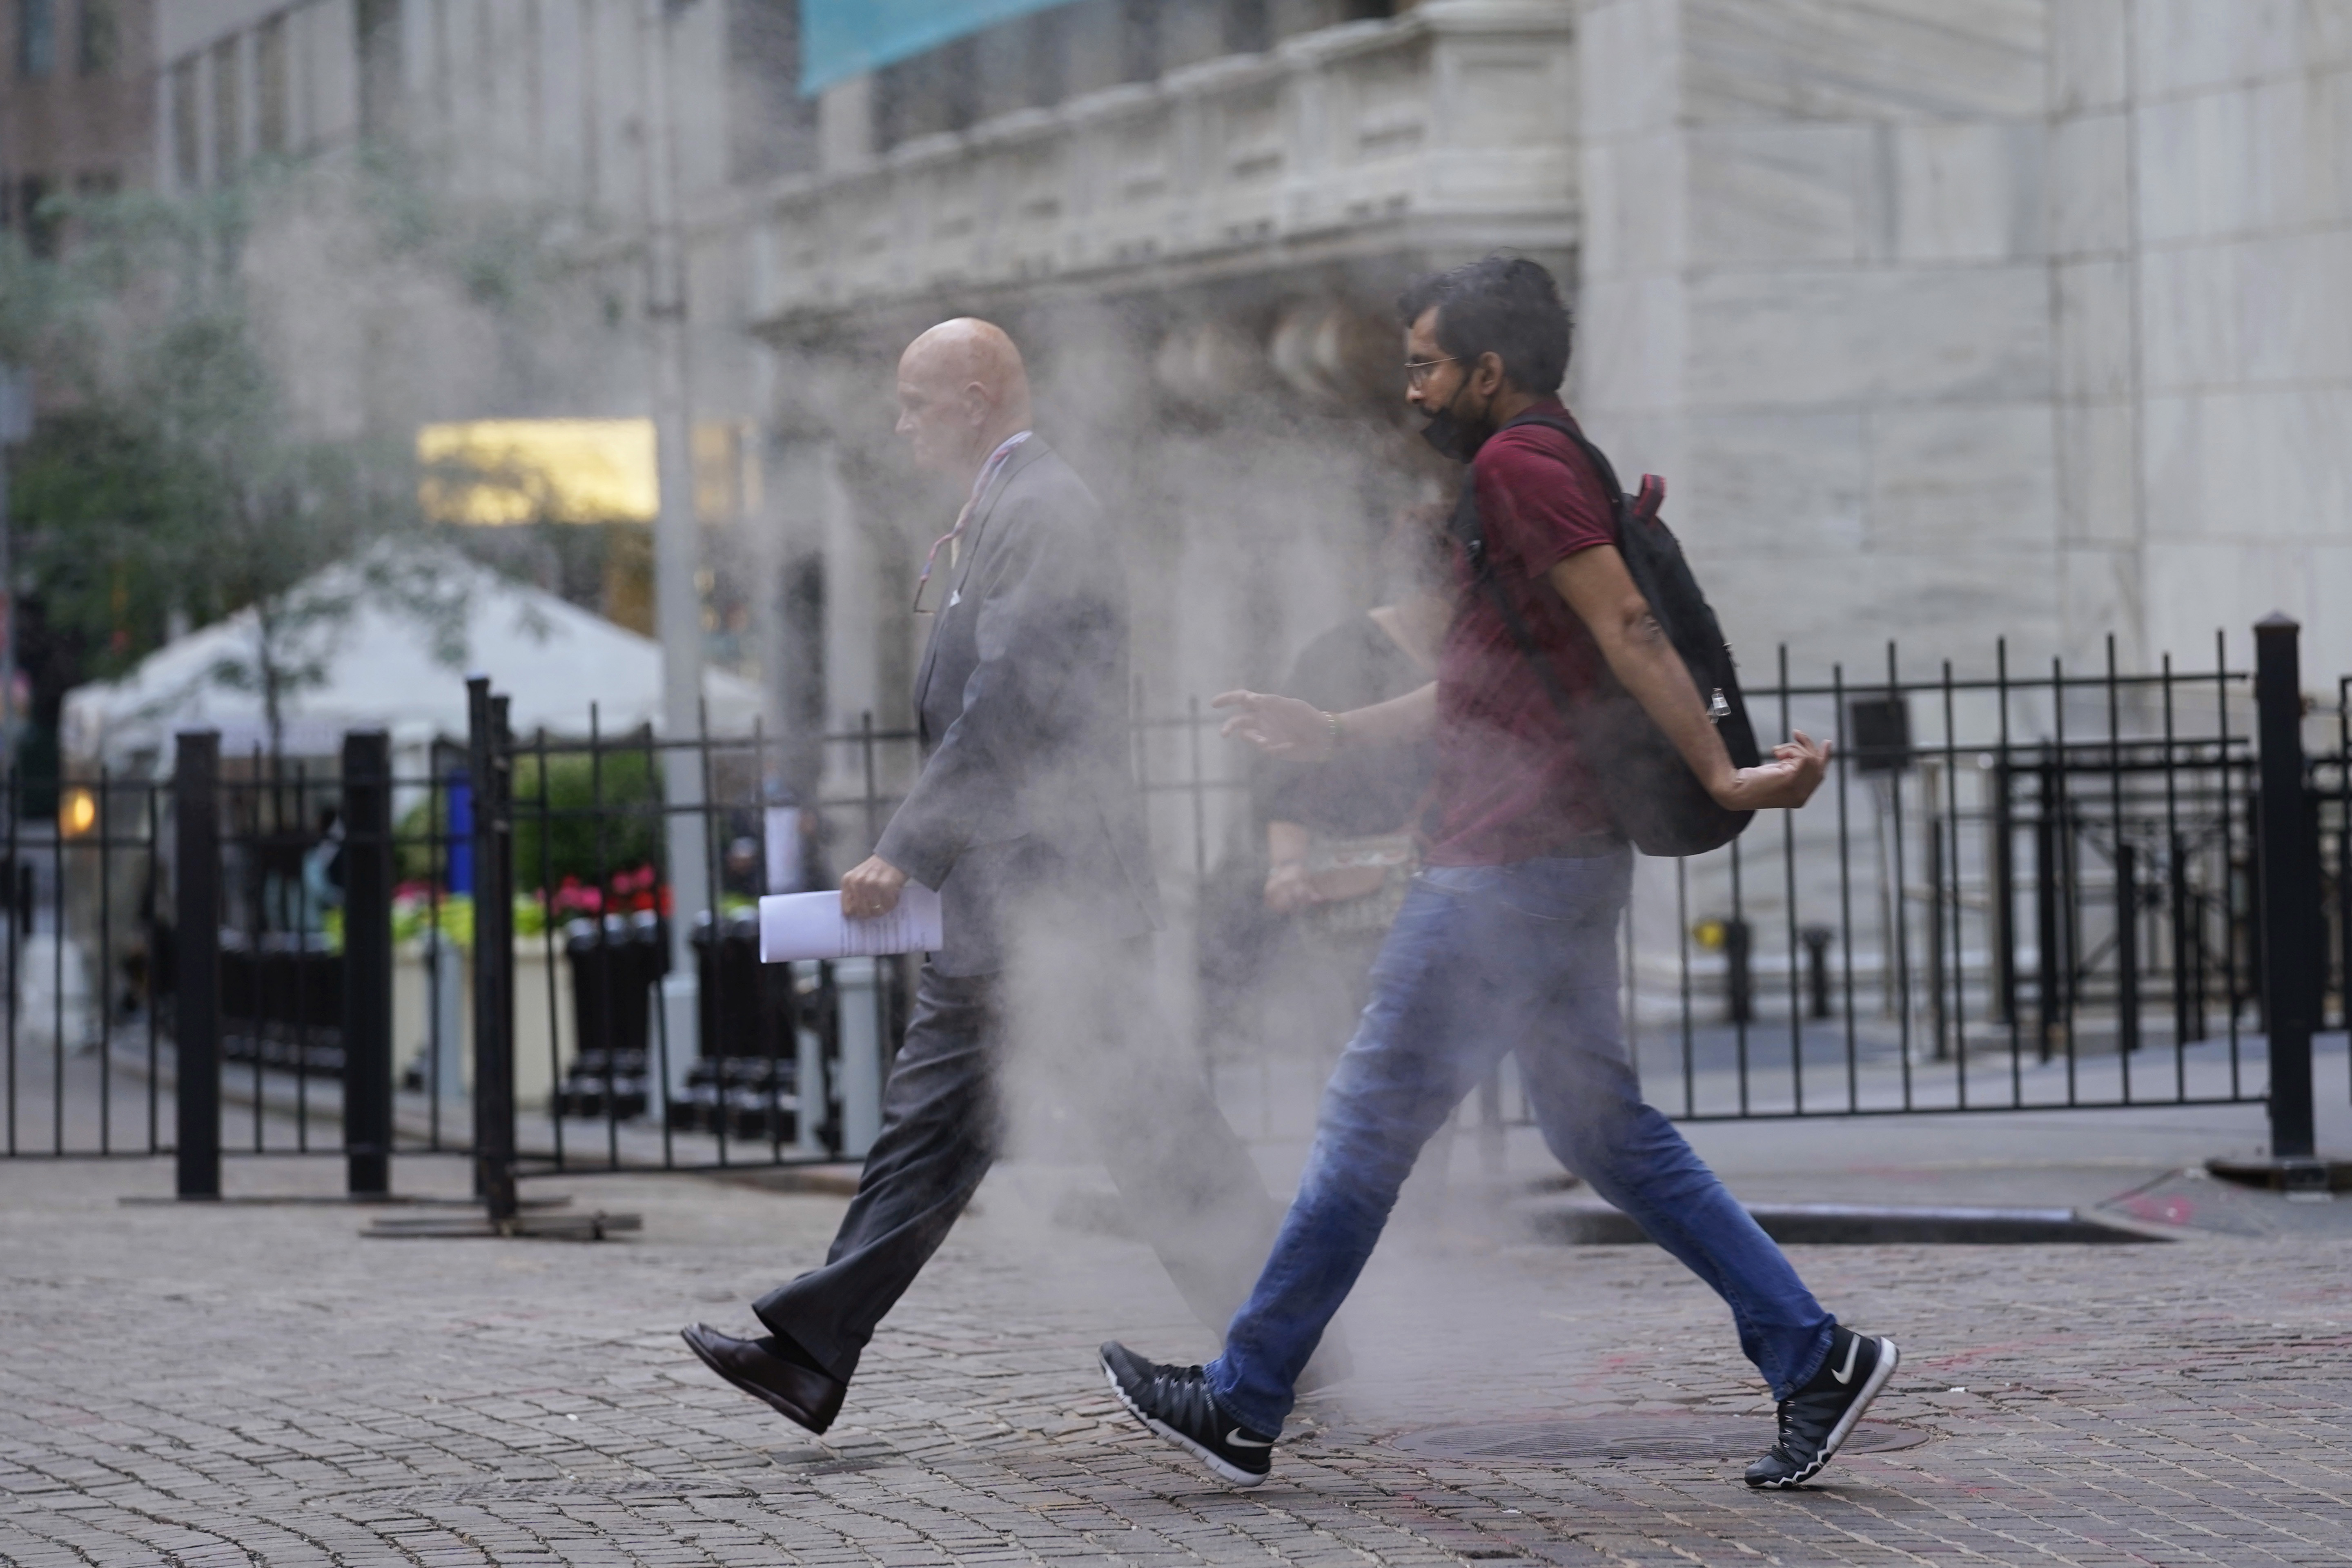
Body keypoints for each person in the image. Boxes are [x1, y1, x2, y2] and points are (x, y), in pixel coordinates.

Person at [1098, 258, 1898, 1492]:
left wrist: (1730, 779)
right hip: (1549, 862)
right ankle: (1815, 1357)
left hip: (1506, 869)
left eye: (1424, 365)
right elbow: (1493, 682)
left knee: (1367, 1124)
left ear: (1488, 369)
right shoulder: (1540, 463)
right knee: (1606, 1134)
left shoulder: (1518, 467)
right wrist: (1337, 733)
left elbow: (1628, 626)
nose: (1410, 389)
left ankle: (1245, 1397)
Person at [684, 318, 1324, 1434]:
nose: (899, 423)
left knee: (1151, 1130)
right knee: (936, 1128)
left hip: (1050, 893)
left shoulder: (1042, 508)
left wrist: (907, 847)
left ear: (977, 396)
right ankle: (812, 1353)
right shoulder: (1010, 510)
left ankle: (1288, 1343)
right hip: (1009, 898)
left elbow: (1011, 704)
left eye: (916, 403)